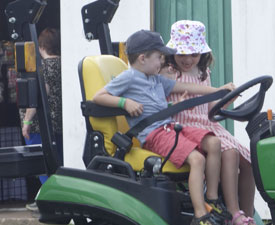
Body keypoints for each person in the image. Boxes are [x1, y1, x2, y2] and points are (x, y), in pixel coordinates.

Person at [92, 29, 234, 225]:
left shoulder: (155, 79)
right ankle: (201, 215)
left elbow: (188, 89)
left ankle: (212, 199)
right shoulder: (130, 77)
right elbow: (98, 97)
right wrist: (124, 103)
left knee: (214, 142)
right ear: (143, 58)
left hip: (170, 127)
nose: (162, 62)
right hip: (155, 134)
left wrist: (219, 91)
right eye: (159, 57)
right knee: (197, 159)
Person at [162, 20, 256, 225]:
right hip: (183, 126)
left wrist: (228, 97)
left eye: (193, 54)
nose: (188, 60)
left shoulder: (203, 72)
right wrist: (219, 91)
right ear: (172, 52)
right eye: (182, 54)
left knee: (249, 161)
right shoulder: (168, 72)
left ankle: (247, 213)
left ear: (202, 54)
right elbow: (186, 94)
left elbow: (211, 107)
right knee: (229, 153)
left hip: (207, 124)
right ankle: (232, 213)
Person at [18, 27, 62, 212]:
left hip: (40, 126)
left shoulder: (42, 68)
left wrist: (26, 123)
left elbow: (35, 99)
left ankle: (49, 198)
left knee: (41, 163)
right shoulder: (64, 66)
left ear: (41, 45)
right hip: (59, 124)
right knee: (57, 161)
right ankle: (54, 197)